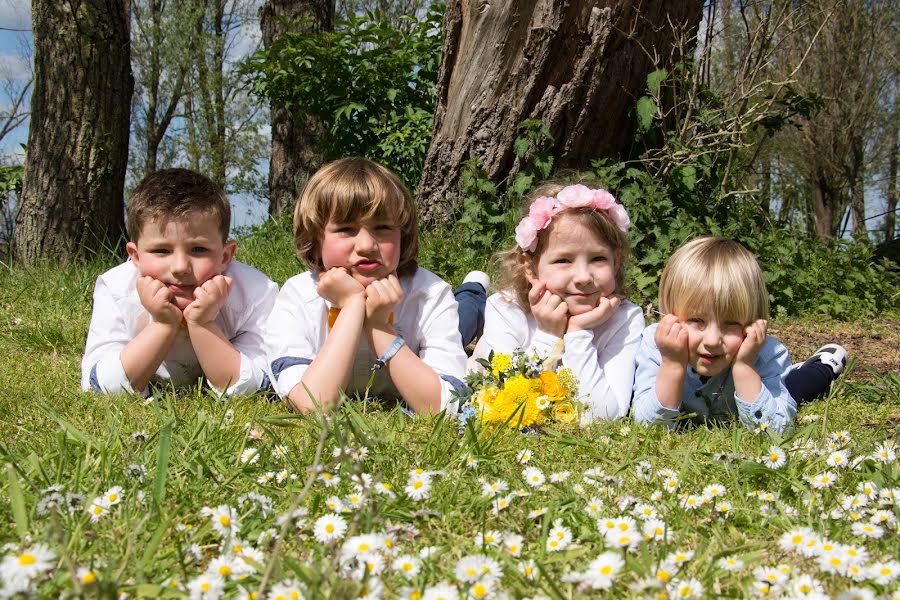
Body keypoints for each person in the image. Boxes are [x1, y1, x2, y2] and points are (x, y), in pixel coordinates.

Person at [265, 158, 468, 414]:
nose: (366, 245)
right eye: (346, 229)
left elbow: (442, 408)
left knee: (468, 315)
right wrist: (351, 306)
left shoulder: (431, 294)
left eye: (382, 228)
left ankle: (474, 289)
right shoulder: (298, 295)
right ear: (315, 241)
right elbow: (312, 406)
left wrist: (380, 327)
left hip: (447, 308)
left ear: (402, 237)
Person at [81, 169, 278, 396]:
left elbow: (259, 386)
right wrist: (162, 325)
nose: (180, 267)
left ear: (225, 256)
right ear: (135, 257)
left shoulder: (255, 293)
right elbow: (100, 387)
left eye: (198, 249)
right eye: (161, 250)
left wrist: (202, 324)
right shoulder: (116, 289)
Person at [631, 236, 847, 432]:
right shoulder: (657, 345)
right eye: (697, 321)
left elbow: (776, 432)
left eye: (731, 323)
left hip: (763, 380)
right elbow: (648, 428)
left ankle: (823, 366)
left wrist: (745, 367)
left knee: (798, 388)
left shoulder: (766, 354)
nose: (712, 340)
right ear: (671, 315)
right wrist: (672, 365)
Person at [469, 183, 646, 422]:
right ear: (530, 266)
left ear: (615, 261)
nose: (583, 277)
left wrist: (578, 333)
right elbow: (510, 404)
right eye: (563, 260)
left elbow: (604, 416)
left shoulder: (625, 319)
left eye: (598, 259)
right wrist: (547, 334)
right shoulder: (505, 309)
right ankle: (472, 288)